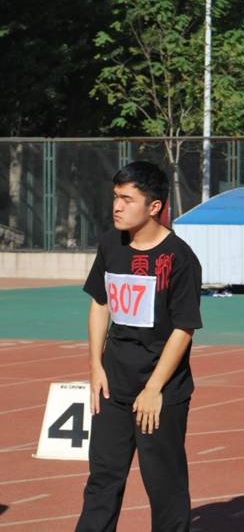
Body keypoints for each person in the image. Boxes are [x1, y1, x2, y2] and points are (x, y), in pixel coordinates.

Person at [76, 161, 202, 531]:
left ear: (154, 206)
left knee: (164, 485)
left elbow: (184, 328)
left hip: (160, 391)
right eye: (115, 197)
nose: (117, 206)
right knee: (102, 478)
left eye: (127, 199)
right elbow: (100, 304)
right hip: (113, 384)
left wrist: (153, 388)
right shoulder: (110, 244)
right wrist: (96, 366)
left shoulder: (179, 258)